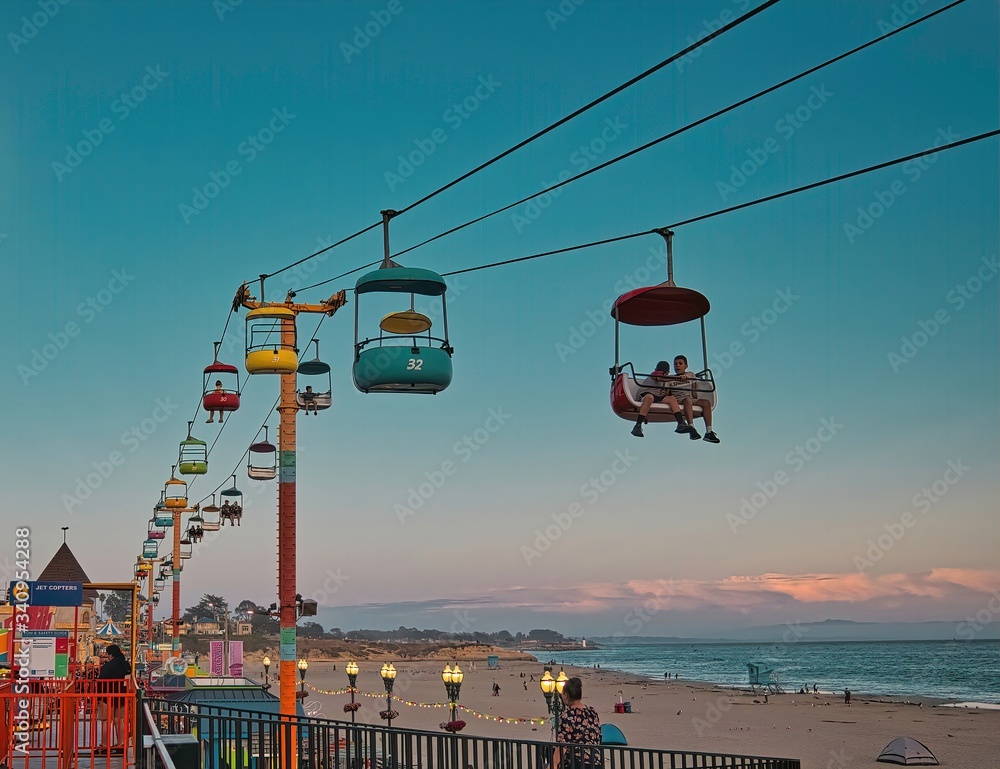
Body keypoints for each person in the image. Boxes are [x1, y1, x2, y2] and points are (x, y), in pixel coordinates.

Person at [630, 360, 694, 438]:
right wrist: (678, 378)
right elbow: (660, 378)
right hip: (645, 394)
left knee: (671, 398)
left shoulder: (666, 380)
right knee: (650, 397)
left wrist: (665, 392)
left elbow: (664, 388)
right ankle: (638, 425)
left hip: (656, 396)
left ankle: (681, 423)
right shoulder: (655, 374)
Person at [549, 677, 602, 769]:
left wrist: (553, 764)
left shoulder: (568, 714)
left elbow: (563, 743)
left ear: (565, 695)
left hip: (576, 762)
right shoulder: (592, 712)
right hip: (595, 761)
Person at [670, 355, 720, 443]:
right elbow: (668, 393)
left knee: (706, 402)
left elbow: (694, 390)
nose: (677, 366)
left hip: (690, 398)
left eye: (680, 363)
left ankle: (709, 431)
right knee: (687, 400)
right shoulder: (670, 379)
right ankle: (691, 427)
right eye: (675, 364)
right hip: (679, 400)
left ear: (686, 366)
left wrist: (696, 400)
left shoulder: (690, 374)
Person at [97, 644, 131, 754]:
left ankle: (105, 746)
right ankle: (121, 745)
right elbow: (128, 679)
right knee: (119, 720)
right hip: (121, 696)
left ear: (111, 655)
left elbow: (101, 679)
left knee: (106, 721)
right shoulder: (126, 665)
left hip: (107, 696)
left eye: (107, 654)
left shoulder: (107, 666)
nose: (107, 656)